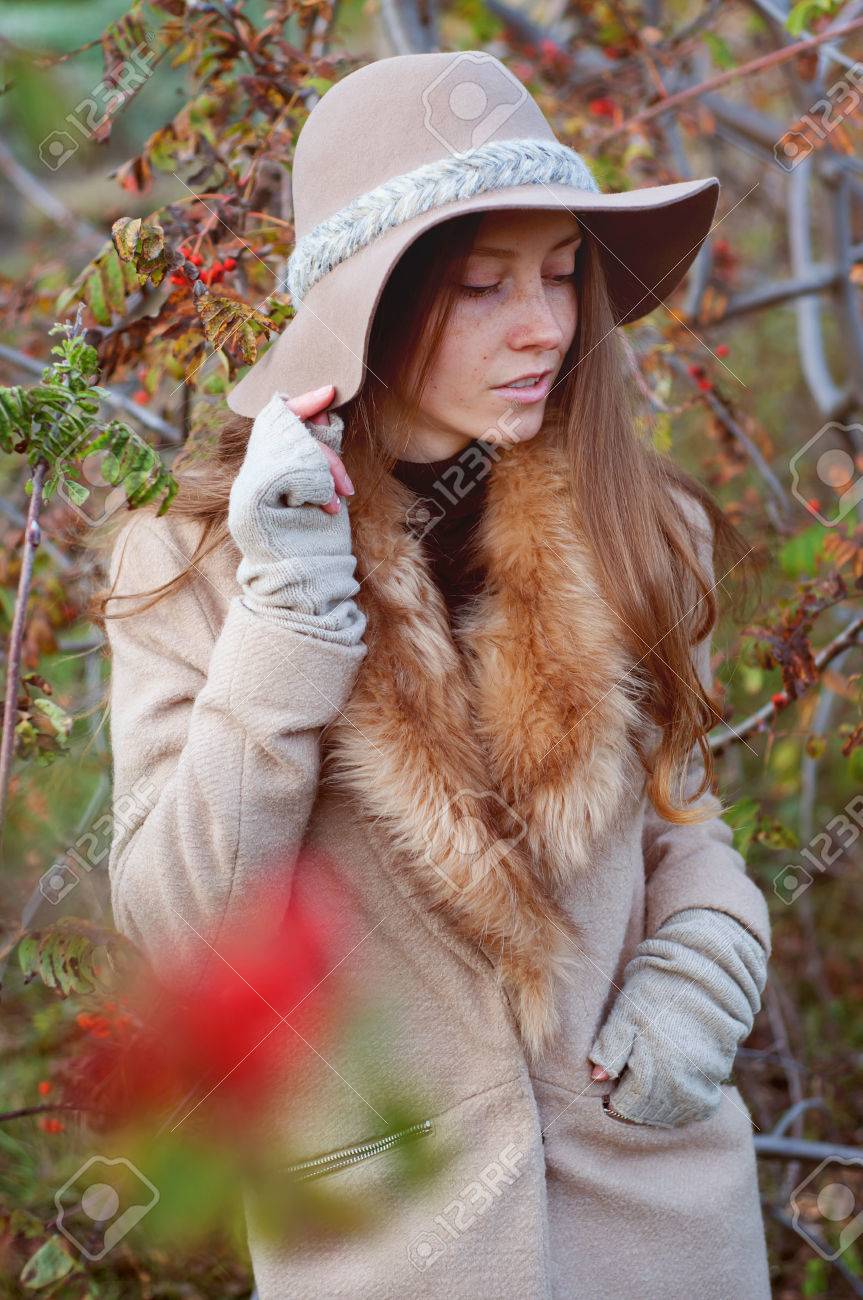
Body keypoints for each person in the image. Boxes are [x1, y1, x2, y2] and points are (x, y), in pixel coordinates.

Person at [100, 50, 773, 1300]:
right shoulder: (194, 565)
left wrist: (698, 979)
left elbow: (691, 832)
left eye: (563, 274)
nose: (548, 325)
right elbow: (184, 931)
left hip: (664, 1237)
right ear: (371, 305)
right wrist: (287, 616)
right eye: (483, 284)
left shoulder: (636, 523)